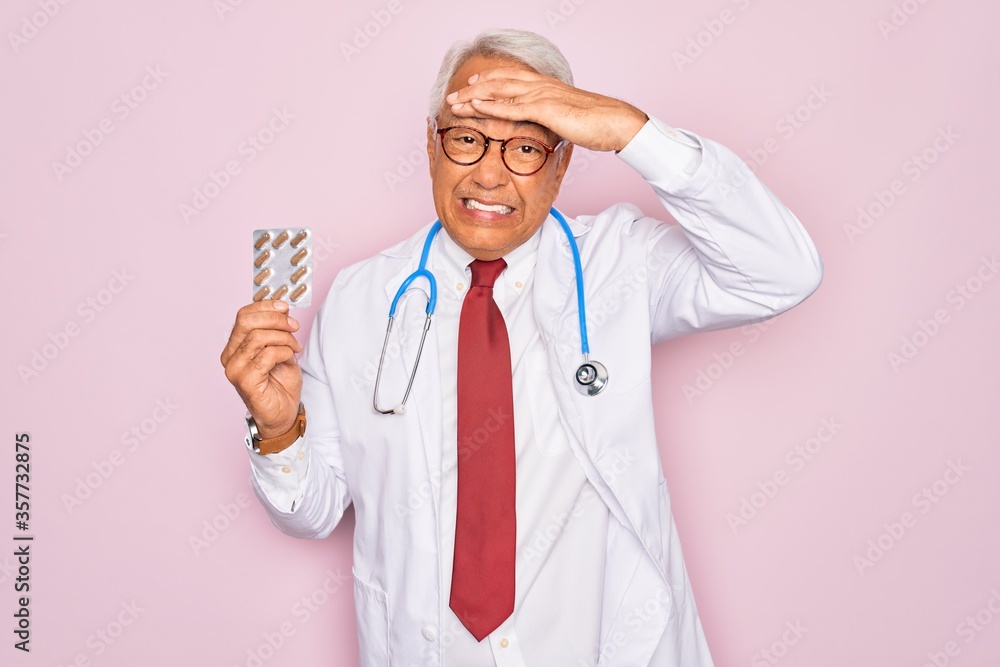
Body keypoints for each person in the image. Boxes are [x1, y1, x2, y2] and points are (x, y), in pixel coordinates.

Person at [221, 28, 822, 667]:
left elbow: (781, 271)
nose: (489, 173)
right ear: (431, 147)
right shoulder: (360, 298)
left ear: (563, 163)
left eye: (526, 147)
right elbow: (310, 514)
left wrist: (629, 131)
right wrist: (280, 429)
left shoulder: (620, 263)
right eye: (468, 137)